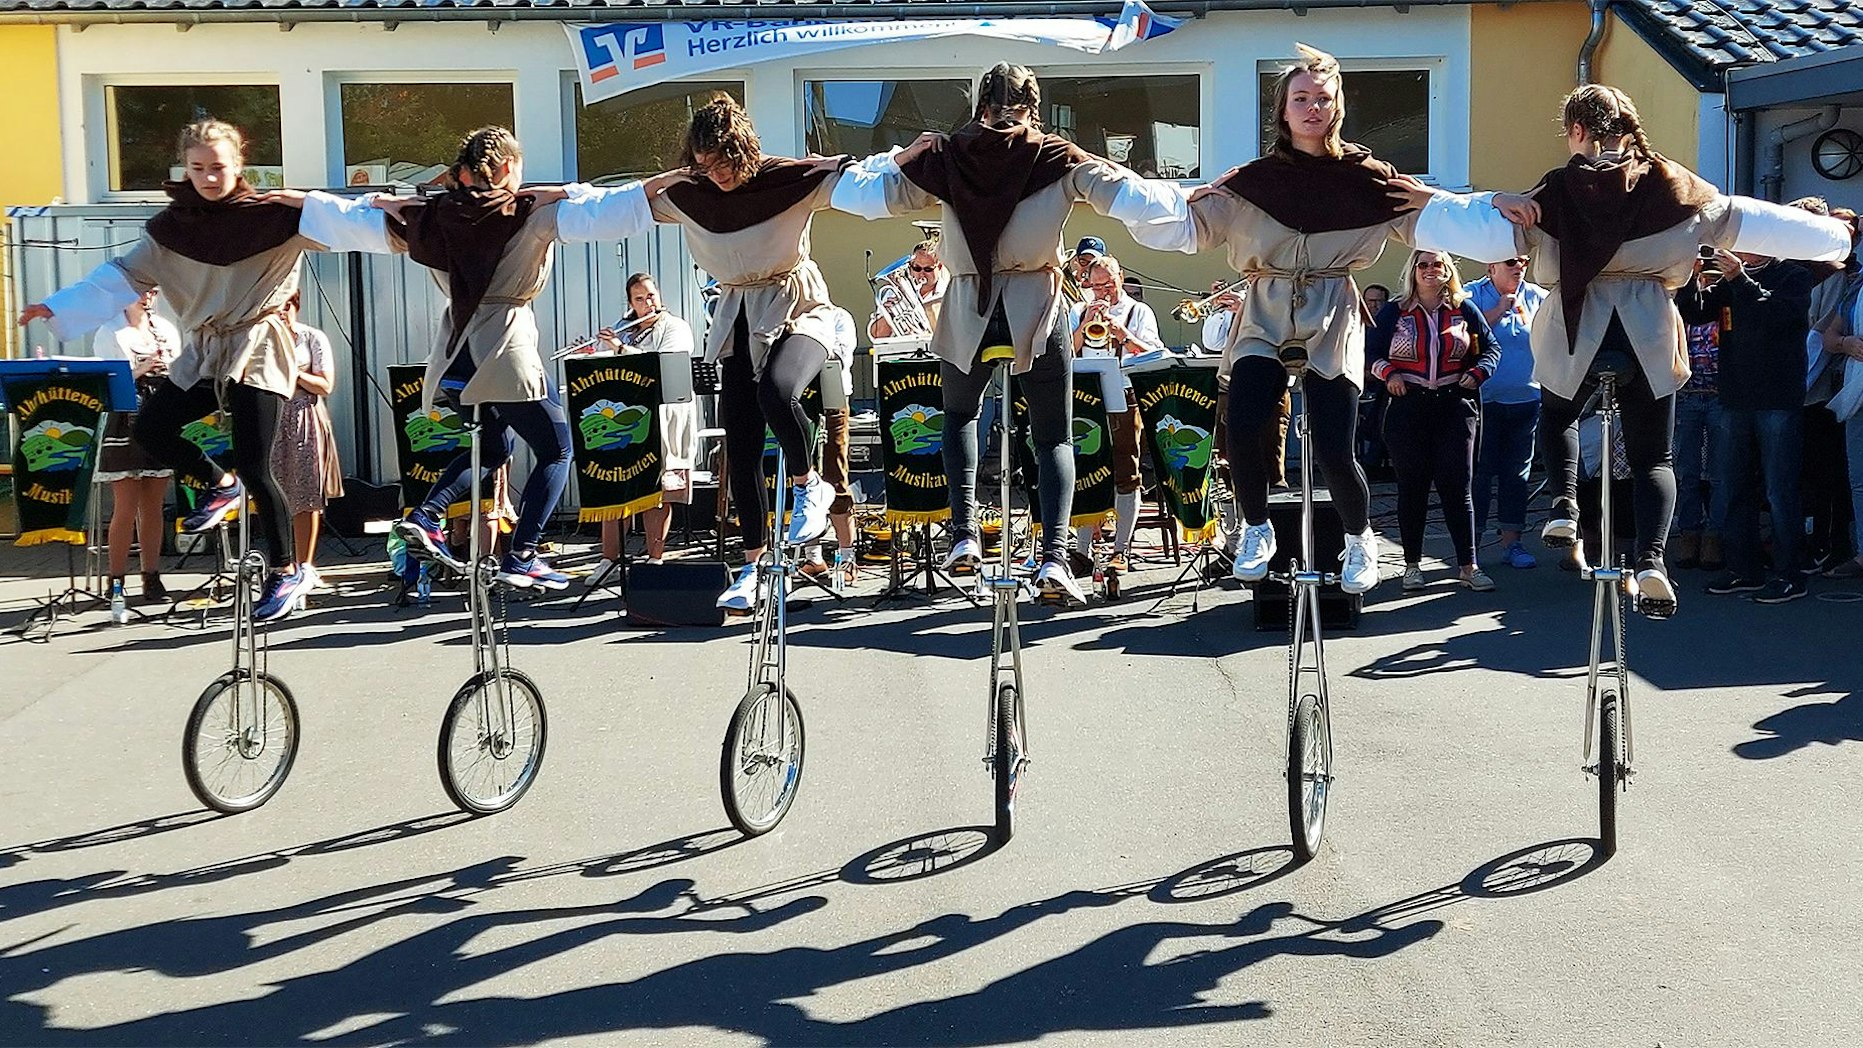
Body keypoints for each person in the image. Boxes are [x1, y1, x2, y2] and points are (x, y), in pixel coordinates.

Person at [1409, 83, 1852, 617]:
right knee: (1654, 457)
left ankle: (1564, 504)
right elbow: (1748, 219)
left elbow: (1485, 231)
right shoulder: (1675, 184)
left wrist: (1431, 205)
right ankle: (1650, 561)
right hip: (1648, 330)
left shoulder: (1555, 190)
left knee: (1558, 414)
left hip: (1577, 327)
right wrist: (1834, 235)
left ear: (1577, 130)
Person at [832, 63, 1180, 602]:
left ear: (980, 105)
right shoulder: (1055, 154)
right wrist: (1182, 203)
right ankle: (1055, 559)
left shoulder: (948, 155)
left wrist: (893, 159)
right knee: (1054, 434)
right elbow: (1121, 194)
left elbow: (874, 197)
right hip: (1034, 302)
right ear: (1033, 107)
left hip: (969, 302)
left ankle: (964, 533)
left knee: (959, 415)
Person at [21, 119, 389, 622]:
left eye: (218, 167)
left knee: (256, 462)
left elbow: (347, 221)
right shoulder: (172, 229)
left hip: (258, 345)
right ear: (185, 169)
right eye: (198, 168)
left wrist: (393, 213)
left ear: (239, 164)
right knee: (152, 428)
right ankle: (220, 484)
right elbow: (118, 277)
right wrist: (57, 306)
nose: (209, 178)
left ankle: (287, 569)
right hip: (207, 348)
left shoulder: (277, 215)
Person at [1124, 44, 1432, 594]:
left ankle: (1358, 537)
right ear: (1283, 111)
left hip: (1331, 306)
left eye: (1323, 98)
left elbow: (1430, 217)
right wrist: (1163, 197)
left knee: (1334, 446)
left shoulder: (1368, 177)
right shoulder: (1253, 181)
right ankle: (1256, 526)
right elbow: (1188, 224)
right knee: (1243, 422)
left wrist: (1474, 206)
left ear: (1337, 107)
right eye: (1301, 99)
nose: (1313, 108)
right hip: (1266, 304)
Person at [329, 126, 679, 592]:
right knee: (557, 448)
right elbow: (607, 208)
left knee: (493, 450)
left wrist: (387, 201)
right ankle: (523, 553)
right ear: (510, 167)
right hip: (503, 349)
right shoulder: (527, 214)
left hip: (454, 355)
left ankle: (427, 515)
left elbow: (368, 216)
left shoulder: (434, 217)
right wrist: (590, 188)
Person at [637, 96, 855, 611]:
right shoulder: (694, 193)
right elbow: (626, 205)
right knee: (740, 441)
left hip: (798, 305)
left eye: (722, 162)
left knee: (777, 392)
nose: (716, 175)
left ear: (741, 150)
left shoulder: (782, 179)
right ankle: (753, 564)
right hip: (737, 313)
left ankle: (809, 485)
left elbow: (850, 176)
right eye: (704, 165)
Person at [1678, 241, 1817, 602]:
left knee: (1779, 490)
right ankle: (1744, 569)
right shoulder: (1730, 282)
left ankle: (1790, 574)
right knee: (1734, 486)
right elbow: (1695, 312)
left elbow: (1776, 315)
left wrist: (1738, 278)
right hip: (1735, 398)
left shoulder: (1793, 275)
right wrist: (1690, 277)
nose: (1738, 249)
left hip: (1777, 400)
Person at [1368, 249, 1501, 591]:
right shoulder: (1394, 311)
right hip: (1407, 406)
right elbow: (1369, 351)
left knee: (1458, 487)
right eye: (1423, 265)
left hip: (1454, 405)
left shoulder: (1463, 309)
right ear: (1413, 271)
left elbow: (1491, 349)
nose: (1430, 270)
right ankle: (1412, 566)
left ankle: (1469, 566)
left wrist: (1478, 372)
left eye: (1437, 264)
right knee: (1412, 487)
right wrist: (1388, 373)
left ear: (1447, 270)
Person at [593, 272, 699, 571]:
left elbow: (661, 365)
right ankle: (608, 560)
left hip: (662, 419)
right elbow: (605, 368)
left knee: (657, 490)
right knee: (616, 486)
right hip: (623, 418)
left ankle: (655, 559)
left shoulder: (675, 327)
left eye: (651, 295)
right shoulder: (622, 328)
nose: (647, 303)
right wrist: (593, 353)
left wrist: (620, 349)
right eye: (639, 299)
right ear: (631, 303)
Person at [1069, 253, 1165, 573]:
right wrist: (1086, 324)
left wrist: (1122, 333)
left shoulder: (1139, 311)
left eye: (1107, 284)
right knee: (1086, 470)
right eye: (1096, 287)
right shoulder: (1079, 310)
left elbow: (1154, 354)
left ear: (1120, 277)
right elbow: (1066, 351)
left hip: (1126, 394)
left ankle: (1121, 549)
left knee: (1126, 471)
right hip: (1087, 397)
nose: (1102, 292)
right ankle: (1082, 551)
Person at [90, 287, 179, 604]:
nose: (148, 296)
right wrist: (142, 368)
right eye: (141, 290)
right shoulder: (110, 331)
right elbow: (107, 384)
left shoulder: (165, 328)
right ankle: (115, 582)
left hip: (159, 413)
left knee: (153, 505)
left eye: (153, 291)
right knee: (125, 506)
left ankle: (151, 577)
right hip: (126, 416)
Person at [1466, 253, 1548, 570]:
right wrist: (1498, 310)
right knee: (1479, 475)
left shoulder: (1537, 296)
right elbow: (1463, 338)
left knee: (1517, 475)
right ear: (1492, 267)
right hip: (1483, 401)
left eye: (1523, 262)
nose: (1519, 268)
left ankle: (1512, 543)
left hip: (1526, 399)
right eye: (1511, 262)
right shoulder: (1471, 294)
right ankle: (1470, 550)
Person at [270, 291, 344, 587]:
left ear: (295, 305)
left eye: (286, 305)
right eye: (276, 307)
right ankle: (281, 564)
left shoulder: (311, 337)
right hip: (273, 415)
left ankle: (306, 565)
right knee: (274, 490)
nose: (282, 312)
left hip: (304, 415)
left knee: (306, 492)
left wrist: (294, 373)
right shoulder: (262, 340)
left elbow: (325, 384)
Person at [1670, 278, 1726, 571]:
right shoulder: (1680, 307)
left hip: (1721, 397)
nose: (1708, 284)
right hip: (1687, 396)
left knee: (1719, 473)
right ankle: (1689, 532)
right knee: (1687, 471)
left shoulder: (1727, 306)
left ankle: (1715, 535)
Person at [802, 305, 861, 584]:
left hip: (832, 404)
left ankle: (847, 557)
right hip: (801, 403)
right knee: (804, 480)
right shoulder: (794, 319)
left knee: (836, 477)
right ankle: (813, 557)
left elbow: (838, 356)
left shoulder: (839, 316)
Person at [868, 239, 947, 340]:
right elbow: (876, 335)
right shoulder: (894, 293)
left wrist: (923, 335)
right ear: (911, 265)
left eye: (928, 269)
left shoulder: (947, 294)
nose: (921, 274)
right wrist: (889, 315)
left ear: (939, 266)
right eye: (917, 268)